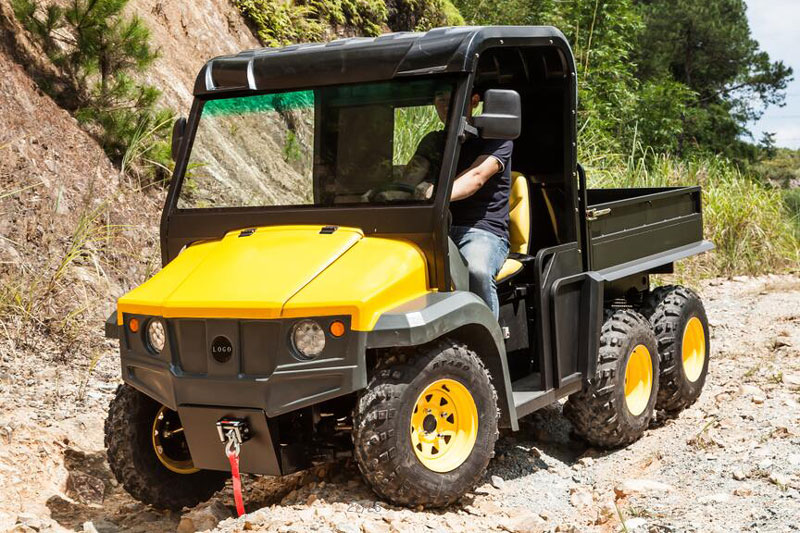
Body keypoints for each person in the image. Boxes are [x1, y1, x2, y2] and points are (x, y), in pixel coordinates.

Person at [412, 89, 512, 318]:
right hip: (436, 228)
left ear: (474, 102)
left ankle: (487, 348)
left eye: (452, 100)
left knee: (475, 270)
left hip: (482, 230)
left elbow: (476, 177)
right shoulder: (433, 141)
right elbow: (410, 175)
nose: (446, 106)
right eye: (440, 100)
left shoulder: (496, 139)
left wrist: (434, 193)